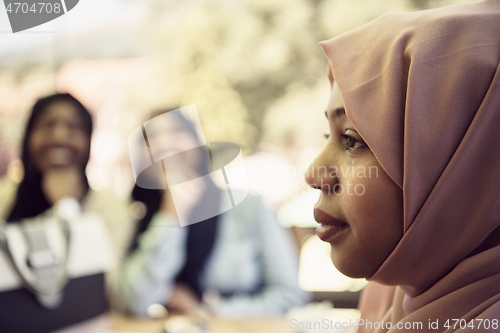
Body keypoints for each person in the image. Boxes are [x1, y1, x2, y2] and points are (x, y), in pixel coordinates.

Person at [305, 1, 500, 332]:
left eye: (352, 140)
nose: (313, 174)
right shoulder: (390, 295)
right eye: (328, 135)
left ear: (461, 162)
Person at [118, 108, 308, 318]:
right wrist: (170, 216)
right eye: (150, 137)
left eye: (176, 131)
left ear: (198, 145)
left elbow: (289, 296)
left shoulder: (248, 206)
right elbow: (134, 302)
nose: (164, 143)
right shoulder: (137, 216)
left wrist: (205, 310)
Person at [0, 93, 133, 332]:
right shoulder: (3, 197)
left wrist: (66, 207)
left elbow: (104, 290)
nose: (60, 136)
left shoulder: (112, 209)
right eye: (47, 125)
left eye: (74, 126)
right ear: (28, 135)